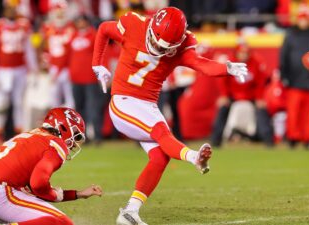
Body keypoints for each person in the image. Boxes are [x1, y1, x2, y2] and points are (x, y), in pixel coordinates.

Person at [92, 7, 247, 224]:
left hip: (148, 105)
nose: (157, 48)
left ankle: (130, 212)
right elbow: (103, 29)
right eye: (155, 41)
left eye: (164, 46)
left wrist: (227, 68)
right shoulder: (134, 24)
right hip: (123, 101)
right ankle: (194, 157)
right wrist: (97, 64)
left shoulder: (183, 43)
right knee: (162, 133)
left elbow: (200, 64)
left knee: (160, 157)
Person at [0, 107, 103, 225]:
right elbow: (38, 184)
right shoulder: (55, 143)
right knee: (61, 222)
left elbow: (33, 190)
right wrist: (55, 195)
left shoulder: (31, 134)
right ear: (63, 127)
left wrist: (78, 194)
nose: (74, 142)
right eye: (76, 135)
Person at [0, 5, 38, 143]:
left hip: (20, 69)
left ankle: (18, 133)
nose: (12, 12)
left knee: (19, 102)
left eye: (14, 9)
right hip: (3, 70)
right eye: (9, 9)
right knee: (0, 103)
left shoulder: (24, 26)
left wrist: (34, 70)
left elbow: (29, 50)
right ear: (4, 11)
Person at [279, 5, 309, 148]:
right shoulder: (290, 37)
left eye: (306, 18)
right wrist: (284, 76)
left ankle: (308, 138)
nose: (304, 22)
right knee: (293, 112)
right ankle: (293, 138)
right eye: (302, 18)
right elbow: (284, 58)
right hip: (295, 80)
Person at [211, 42, 274, 147]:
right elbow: (222, 81)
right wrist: (224, 95)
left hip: (251, 95)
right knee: (222, 109)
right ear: (237, 53)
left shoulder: (256, 63)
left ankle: (268, 141)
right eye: (241, 53)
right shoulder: (229, 63)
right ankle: (216, 141)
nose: (244, 55)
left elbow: (260, 82)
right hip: (233, 95)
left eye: (246, 53)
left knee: (262, 110)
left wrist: (259, 98)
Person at [69, 16, 104, 143]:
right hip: (75, 78)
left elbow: (100, 54)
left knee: (92, 107)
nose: (80, 23)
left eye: (82, 21)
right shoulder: (72, 35)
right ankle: (83, 136)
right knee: (79, 108)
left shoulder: (93, 35)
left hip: (90, 78)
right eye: (78, 21)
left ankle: (97, 135)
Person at [40, 2, 75, 108]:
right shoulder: (47, 28)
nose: (59, 16)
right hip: (54, 67)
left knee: (70, 98)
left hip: (68, 67)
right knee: (53, 97)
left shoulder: (71, 28)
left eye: (61, 13)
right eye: (57, 13)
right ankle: (54, 121)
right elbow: (44, 48)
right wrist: (45, 62)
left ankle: (71, 122)